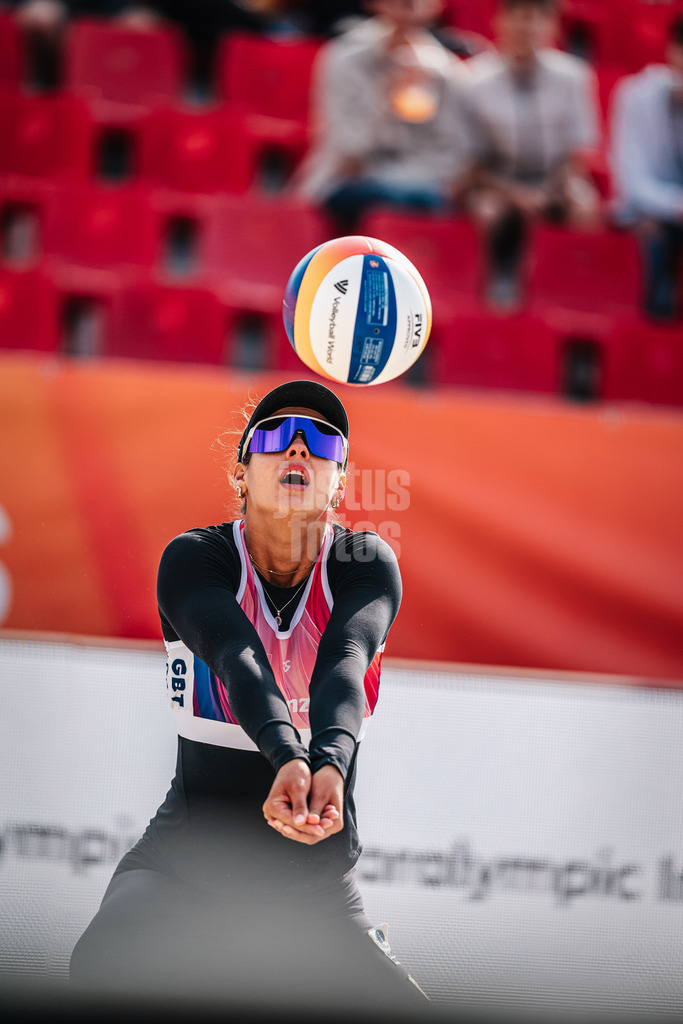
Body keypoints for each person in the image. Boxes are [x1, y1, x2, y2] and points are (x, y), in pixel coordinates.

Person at [69, 379, 428, 1013]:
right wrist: (288, 756)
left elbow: (343, 665)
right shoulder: (194, 559)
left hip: (312, 898)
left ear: (339, 484)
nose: (298, 448)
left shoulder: (364, 562)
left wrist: (329, 765)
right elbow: (240, 660)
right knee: (99, 964)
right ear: (241, 471)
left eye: (321, 441)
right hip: (183, 874)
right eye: (276, 435)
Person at [460, 0, 602, 307]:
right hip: (497, 181)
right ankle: (488, 291)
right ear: (499, 21)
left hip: (555, 178)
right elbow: (470, 162)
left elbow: (579, 150)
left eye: (538, 18)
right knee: (487, 211)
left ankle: (570, 291)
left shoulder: (574, 75)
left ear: (553, 25)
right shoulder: (473, 77)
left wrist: (550, 189)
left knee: (584, 204)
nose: (528, 27)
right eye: (520, 18)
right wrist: (516, 194)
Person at [293, 0, 470, 231]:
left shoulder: (444, 69)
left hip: (419, 183)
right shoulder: (344, 59)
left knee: (426, 201)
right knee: (387, 200)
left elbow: (452, 154)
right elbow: (348, 151)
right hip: (348, 182)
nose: (409, 7)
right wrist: (386, 99)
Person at [610, 13, 683, 322]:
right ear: (672, 50)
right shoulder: (636, 94)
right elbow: (632, 184)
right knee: (649, 232)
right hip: (649, 212)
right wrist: (676, 207)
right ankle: (649, 327)